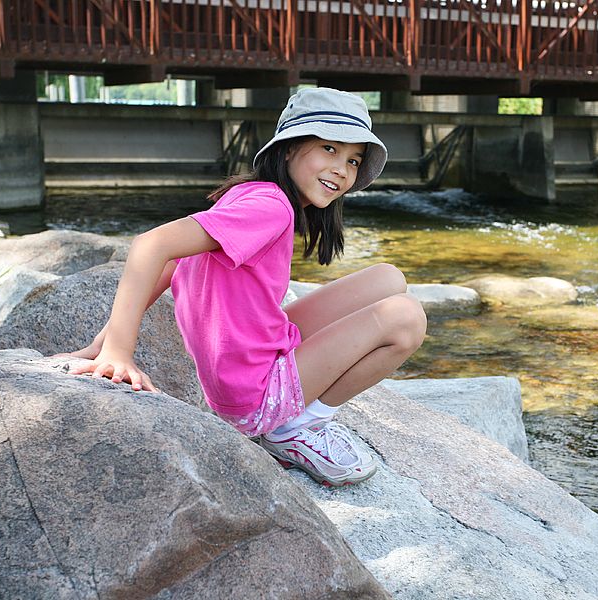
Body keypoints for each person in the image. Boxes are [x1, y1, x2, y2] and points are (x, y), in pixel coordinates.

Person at [64, 87, 427, 487]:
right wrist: (118, 351)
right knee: (406, 318)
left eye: (353, 159)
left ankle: (291, 417)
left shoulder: (249, 195)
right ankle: (294, 429)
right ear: (288, 149)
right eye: (329, 148)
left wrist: (102, 343)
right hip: (255, 398)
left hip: (257, 361)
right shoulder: (270, 207)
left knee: (389, 278)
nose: (341, 168)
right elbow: (152, 246)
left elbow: (172, 263)